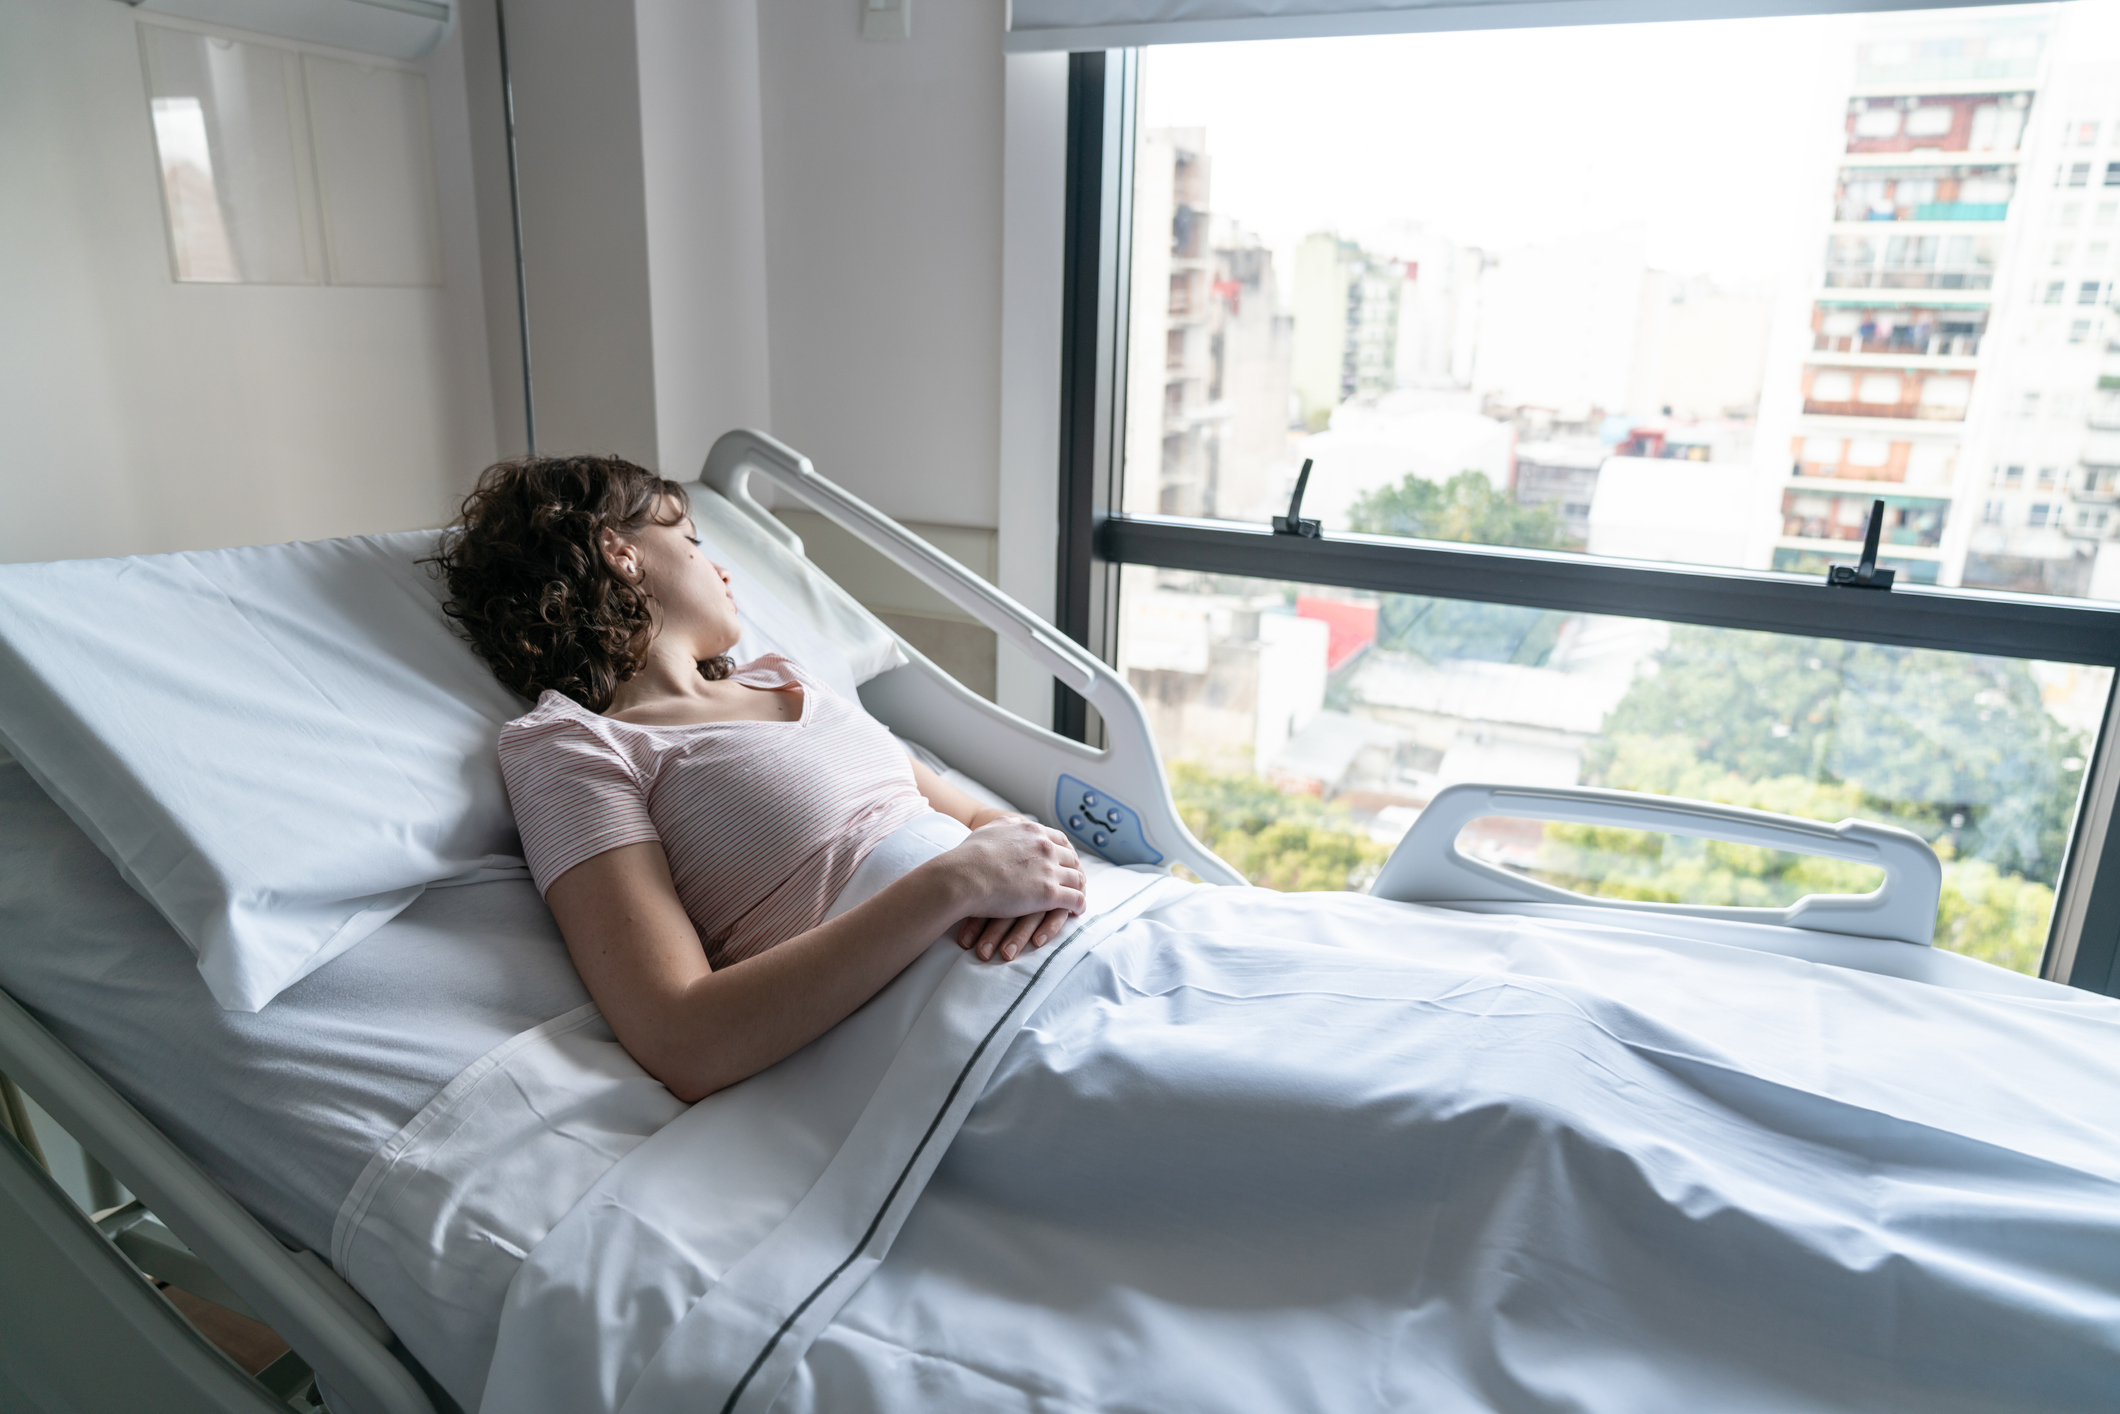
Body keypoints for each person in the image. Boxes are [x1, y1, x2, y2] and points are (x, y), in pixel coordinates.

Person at [430, 454, 1086, 1102]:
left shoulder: (785, 678)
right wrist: (956, 884)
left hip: (1067, 946)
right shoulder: (572, 746)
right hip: (965, 1029)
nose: (721, 569)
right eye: (689, 540)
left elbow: (981, 824)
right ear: (619, 552)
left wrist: (1044, 869)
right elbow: (680, 1037)